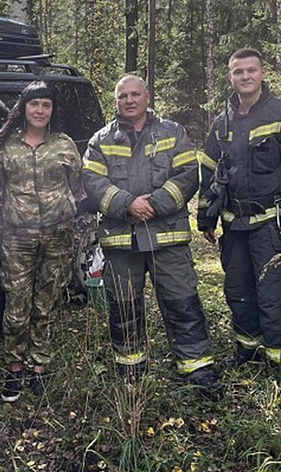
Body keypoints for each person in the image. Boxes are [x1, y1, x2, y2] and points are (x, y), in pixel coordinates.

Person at [82, 74, 217, 388]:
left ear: (147, 97)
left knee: (182, 302)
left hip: (166, 236)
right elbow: (92, 183)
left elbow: (187, 175)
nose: (129, 100)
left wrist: (153, 204)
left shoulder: (172, 132)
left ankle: (196, 369)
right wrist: (128, 204)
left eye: (135, 95)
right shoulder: (100, 140)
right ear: (115, 101)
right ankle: (131, 370)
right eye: (122, 96)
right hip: (121, 241)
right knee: (124, 307)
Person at [197, 48, 281, 368]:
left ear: (263, 73)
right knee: (238, 291)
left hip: (272, 225)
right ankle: (247, 354)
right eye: (238, 72)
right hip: (234, 226)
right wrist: (206, 217)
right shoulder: (221, 123)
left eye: (251, 70)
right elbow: (209, 171)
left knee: (276, 295)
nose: (245, 77)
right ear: (230, 77)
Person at [0, 81, 83, 402]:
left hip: (58, 237)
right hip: (18, 239)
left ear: (52, 110)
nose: (40, 110)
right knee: (16, 306)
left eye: (46, 105)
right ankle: (14, 368)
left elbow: (78, 188)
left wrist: (65, 215)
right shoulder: (7, 148)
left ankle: (39, 366)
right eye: (34, 104)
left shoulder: (65, 145)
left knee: (47, 304)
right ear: (23, 108)